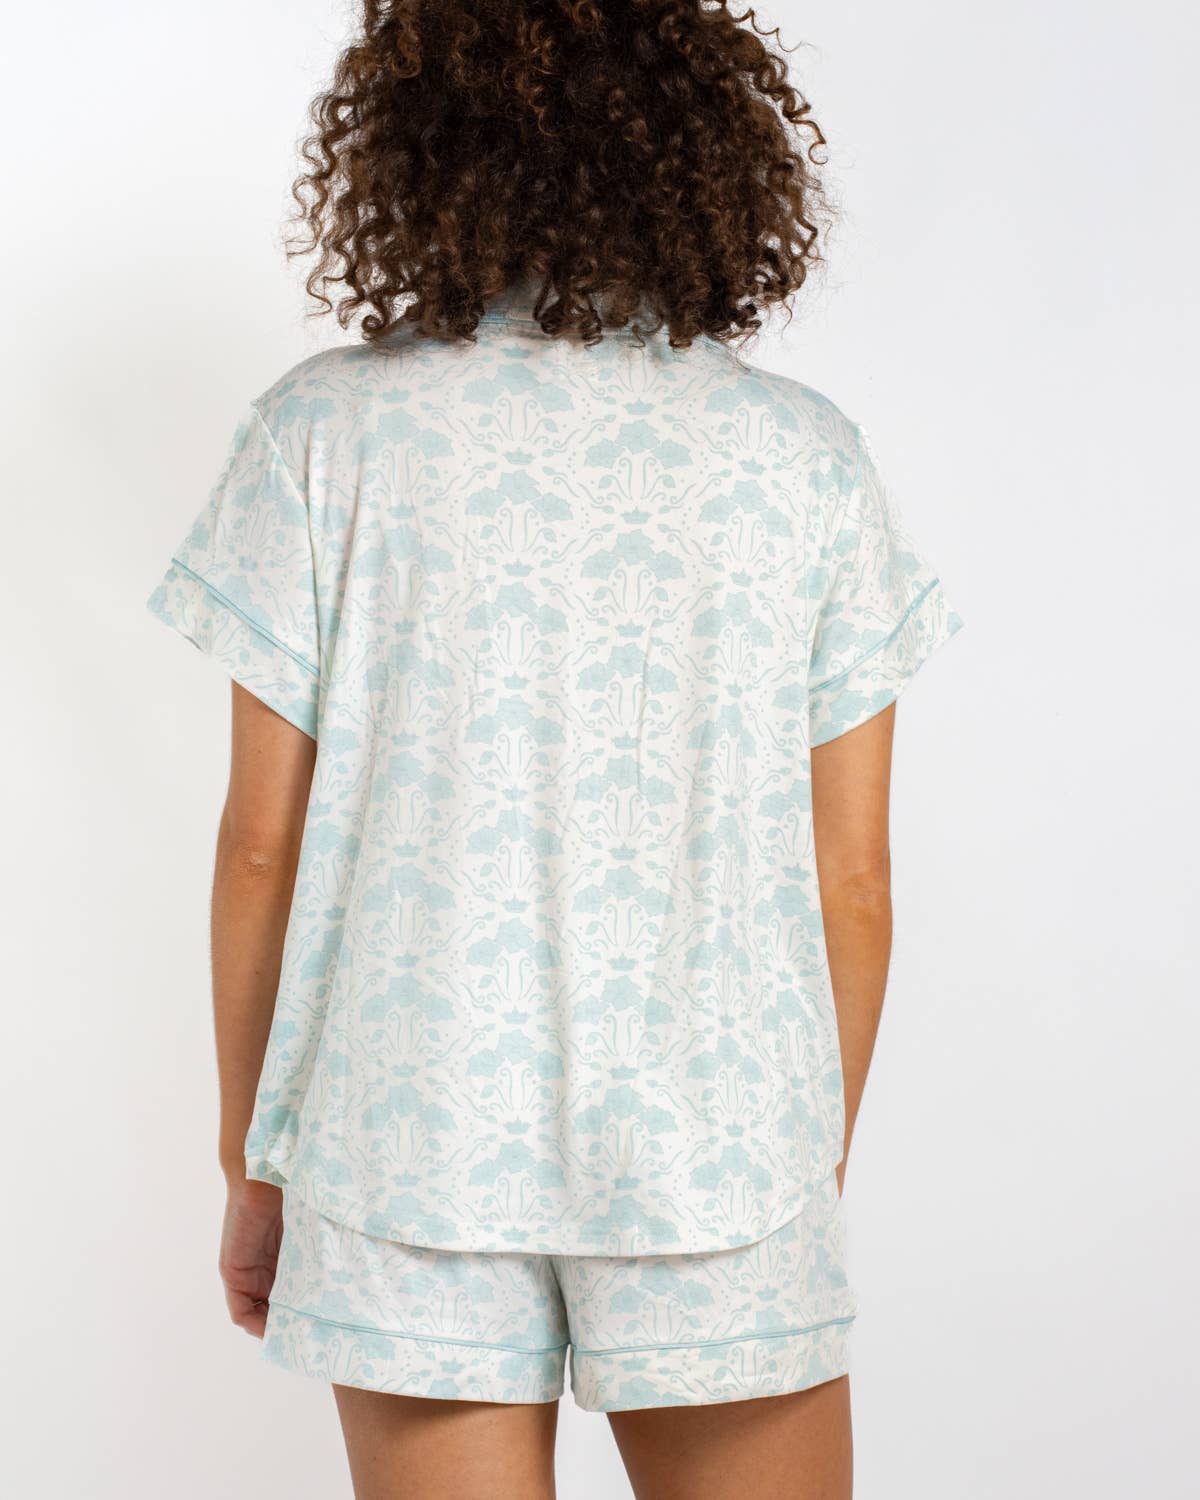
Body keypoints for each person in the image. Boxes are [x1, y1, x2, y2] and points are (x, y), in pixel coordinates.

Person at [146, 2, 965, 1495]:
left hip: (406, 1137)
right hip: (717, 1143)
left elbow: (262, 845)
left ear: (420, 151)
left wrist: (251, 1163)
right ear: (710, 160)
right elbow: (855, 882)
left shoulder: (326, 434)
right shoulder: (804, 459)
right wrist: (799, 1165)